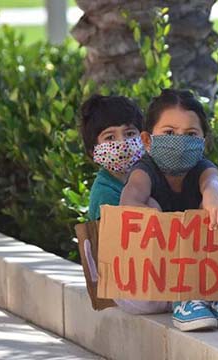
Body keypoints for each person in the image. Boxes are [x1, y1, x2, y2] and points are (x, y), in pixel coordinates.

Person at [120, 89, 218, 331]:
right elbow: (130, 200)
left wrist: (213, 195)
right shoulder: (144, 170)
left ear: (203, 141)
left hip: (198, 274)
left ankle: (214, 294)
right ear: (148, 140)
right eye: (169, 133)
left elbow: (211, 182)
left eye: (190, 134)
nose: (179, 142)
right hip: (148, 285)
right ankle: (188, 297)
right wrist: (164, 229)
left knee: (213, 206)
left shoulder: (202, 168)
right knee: (149, 207)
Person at [80, 94, 169, 315]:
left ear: (144, 138)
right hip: (131, 284)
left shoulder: (149, 175)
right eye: (110, 137)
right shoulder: (105, 193)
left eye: (129, 134)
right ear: (94, 152)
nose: (121, 143)